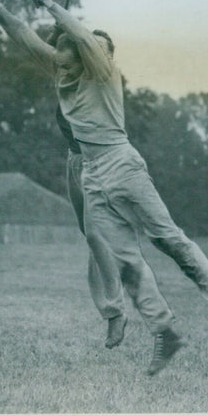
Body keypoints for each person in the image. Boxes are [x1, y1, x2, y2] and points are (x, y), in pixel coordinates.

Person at [0, 0, 208, 376]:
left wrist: (48, 2)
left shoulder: (102, 71)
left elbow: (83, 38)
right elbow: (22, 34)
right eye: (63, 45)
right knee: (126, 263)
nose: (71, 47)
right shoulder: (62, 68)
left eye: (78, 44)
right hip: (92, 173)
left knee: (171, 241)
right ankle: (164, 331)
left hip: (121, 163)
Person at [48, 26, 128, 350]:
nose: (95, 53)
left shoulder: (106, 80)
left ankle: (114, 312)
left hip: (103, 163)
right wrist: (56, 38)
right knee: (93, 239)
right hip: (74, 161)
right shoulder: (73, 77)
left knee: (96, 235)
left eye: (102, 49)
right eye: (89, 47)